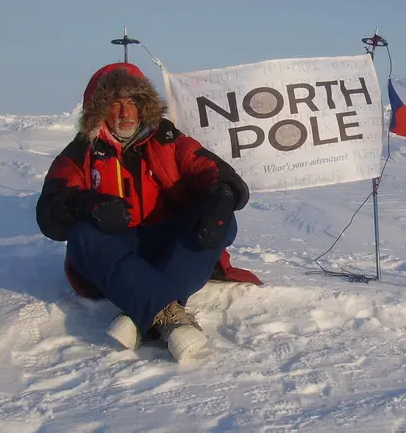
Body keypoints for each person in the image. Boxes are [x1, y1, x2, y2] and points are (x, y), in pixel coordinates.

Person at [36, 62, 260, 361]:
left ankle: (139, 313)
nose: (126, 113)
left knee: (219, 218)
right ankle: (170, 316)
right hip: (115, 254)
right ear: (99, 108)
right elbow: (50, 210)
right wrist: (87, 204)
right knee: (82, 234)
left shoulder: (168, 139)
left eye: (133, 102)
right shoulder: (81, 151)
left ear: (145, 106)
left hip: (168, 248)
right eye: (115, 103)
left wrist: (220, 197)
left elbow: (213, 170)